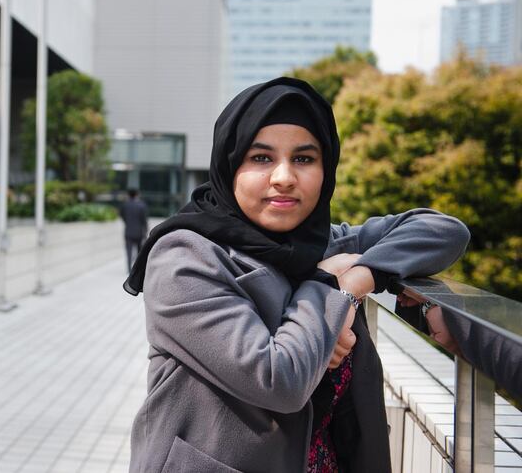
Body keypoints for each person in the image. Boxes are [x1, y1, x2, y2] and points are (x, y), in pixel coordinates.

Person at [124, 77, 470, 473]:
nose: (284, 176)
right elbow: (279, 379)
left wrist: (361, 276)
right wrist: (329, 291)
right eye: (261, 158)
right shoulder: (186, 257)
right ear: (229, 164)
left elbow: (444, 231)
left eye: (304, 159)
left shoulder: (317, 243)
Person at [119, 189, 148, 272]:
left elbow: (122, 216)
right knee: (139, 252)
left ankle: (128, 269)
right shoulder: (142, 205)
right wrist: (145, 231)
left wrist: (127, 222)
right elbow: (144, 220)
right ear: (137, 195)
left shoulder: (125, 205)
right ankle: (136, 270)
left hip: (128, 231)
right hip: (139, 232)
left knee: (128, 251)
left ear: (128, 195)